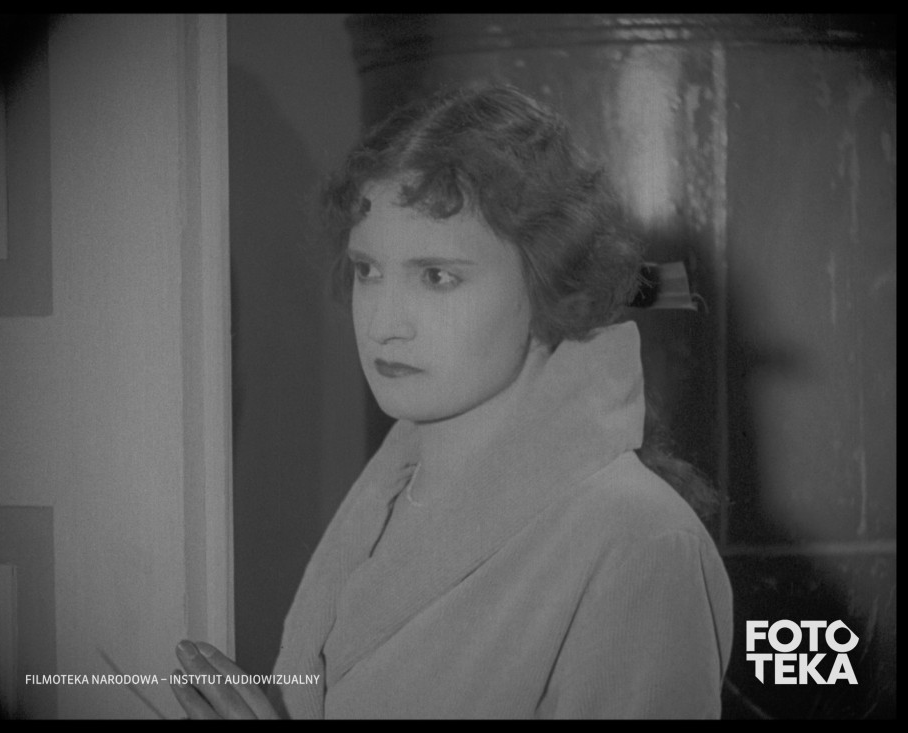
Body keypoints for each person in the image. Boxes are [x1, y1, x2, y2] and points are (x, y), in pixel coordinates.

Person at [171, 84, 733, 719]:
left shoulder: (642, 542)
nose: (383, 324)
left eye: (437, 277)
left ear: (549, 284)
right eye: (367, 270)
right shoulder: (388, 492)